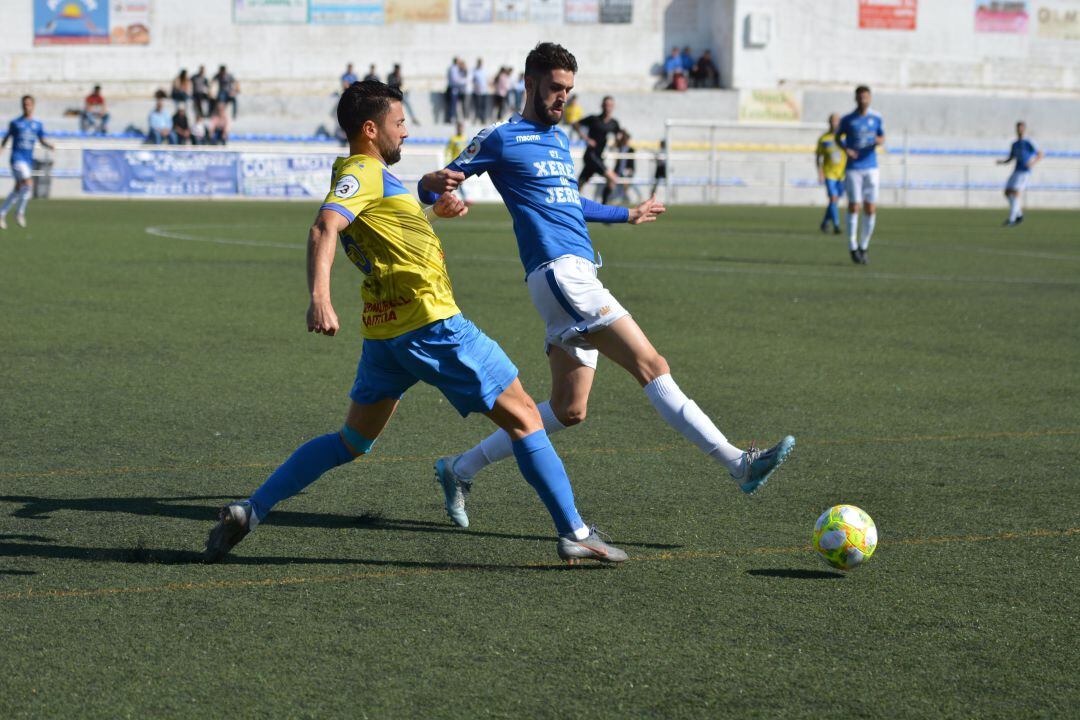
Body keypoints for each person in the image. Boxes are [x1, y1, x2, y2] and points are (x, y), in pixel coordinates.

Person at [204, 80, 626, 566]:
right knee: (527, 418)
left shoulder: (373, 175)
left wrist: (432, 211)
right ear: (370, 128)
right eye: (399, 123)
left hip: (386, 335)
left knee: (351, 442)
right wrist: (319, 298)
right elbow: (325, 225)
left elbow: (389, 226)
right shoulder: (362, 172)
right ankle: (574, 530)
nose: (405, 133)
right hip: (433, 325)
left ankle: (250, 510)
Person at [418, 42, 794, 528]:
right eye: (556, 88)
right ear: (529, 84)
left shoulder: (557, 140)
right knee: (651, 364)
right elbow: (436, 185)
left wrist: (627, 214)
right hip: (560, 275)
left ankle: (459, 468)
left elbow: (571, 203)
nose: (563, 99)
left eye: (569, 90)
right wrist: (435, 186)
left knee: (568, 409)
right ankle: (737, 463)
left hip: (575, 276)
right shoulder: (500, 137)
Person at [837, 85, 885, 265]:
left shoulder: (876, 117)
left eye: (866, 97)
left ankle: (864, 246)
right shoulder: (848, 119)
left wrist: (877, 141)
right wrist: (846, 149)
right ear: (855, 99)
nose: (863, 100)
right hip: (854, 168)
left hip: (872, 167)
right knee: (854, 206)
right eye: (860, 97)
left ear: (870, 98)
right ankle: (852, 245)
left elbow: (882, 137)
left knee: (870, 208)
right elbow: (837, 137)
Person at [0, 95, 54, 230]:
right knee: (28, 183)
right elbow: (6, 139)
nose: (26, 106)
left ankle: (2, 213)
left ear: (33, 106)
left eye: (29, 104)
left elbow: (41, 140)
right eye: (24, 104)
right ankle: (20, 213)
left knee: (19, 188)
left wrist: (49, 145)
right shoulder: (15, 123)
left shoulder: (37, 124)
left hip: (28, 160)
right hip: (17, 159)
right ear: (21, 105)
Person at [574, 95, 622, 203]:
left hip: (600, 157)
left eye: (610, 105)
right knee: (613, 178)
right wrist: (586, 138)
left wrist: (618, 141)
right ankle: (604, 206)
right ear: (602, 106)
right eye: (606, 105)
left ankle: (570, 205)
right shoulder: (594, 119)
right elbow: (575, 124)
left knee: (580, 184)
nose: (608, 107)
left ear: (613, 107)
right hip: (591, 155)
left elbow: (618, 139)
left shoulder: (614, 124)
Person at [997, 121, 1042, 227]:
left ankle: (1012, 219)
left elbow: (1040, 154)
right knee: (1007, 192)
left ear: (1024, 129)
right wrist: (1002, 162)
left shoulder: (1029, 142)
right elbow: (1011, 157)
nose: (1019, 130)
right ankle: (1019, 215)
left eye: (1021, 128)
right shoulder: (1015, 144)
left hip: (1024, 172)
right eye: (1018, 128)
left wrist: (1032, 163)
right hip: (1016, 170)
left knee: (1016, 193)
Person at [814, 113, 845, 235]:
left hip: (842, 174)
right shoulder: (823, 139)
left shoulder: (844, 137)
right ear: (829, 123)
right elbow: (818, 157)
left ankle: (825, 222)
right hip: (829, 173)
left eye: (837, 121)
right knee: (833, 198)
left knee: (835, 200)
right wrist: (820, 172)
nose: (834, 123)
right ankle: (836, 225)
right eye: (832, 121)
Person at [445, 121, 471, 204]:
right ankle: (464, 198)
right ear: (457, 128)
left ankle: (447, 197)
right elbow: (448, 150)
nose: (460, 129)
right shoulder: (453, 139)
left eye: (462, 127)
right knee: (456, 182)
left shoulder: (465, 138)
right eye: (459, 127)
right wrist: (447, 161)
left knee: (457, 182)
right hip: (455, 163)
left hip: (463, 163)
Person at [611, 130, 639, 204]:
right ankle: (614, 198)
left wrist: (630, 170)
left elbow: (631, 162)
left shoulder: (631, 149)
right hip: (619, 170)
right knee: (612, 182)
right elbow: (613, 146)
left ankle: (629, 198)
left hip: (627, 171)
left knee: (627, 183)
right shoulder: (620, 148)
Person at [470, 58, 488, 123]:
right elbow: (472, 80)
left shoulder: (484, 71)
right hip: (477, 91)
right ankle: (476, 118)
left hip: (484, 91)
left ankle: (482, 119)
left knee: (483, 106)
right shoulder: (474, 71)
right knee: (477, 106)